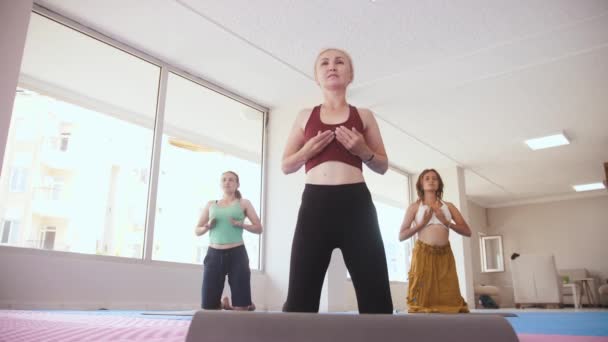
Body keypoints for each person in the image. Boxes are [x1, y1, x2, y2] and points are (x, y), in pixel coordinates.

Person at [281, 48, 393, 314]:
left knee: (375, 294)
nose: (332, 66)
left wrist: (362, 150)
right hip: (315, 206)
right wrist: (307, 151)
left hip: (356, 205)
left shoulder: (364, 115)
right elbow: (286, 165)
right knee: (300, 298)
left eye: (340, 62)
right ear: (317, 76)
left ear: (350, 74)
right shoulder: (304, 115)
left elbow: (382, 165)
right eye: (325, 63)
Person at [398, 169, 472, 313]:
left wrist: (446, 222)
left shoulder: (448, 206)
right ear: (421, 183)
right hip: (423, 254)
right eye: (427, 178)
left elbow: (467, 231)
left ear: (439, 184)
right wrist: (421, 224)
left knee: (449, 298)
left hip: (444, 255)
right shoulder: (414, 207)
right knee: (421, 300)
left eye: (434, 178)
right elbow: (401, 236)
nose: (431, 181)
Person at [195, 171, 262, 311]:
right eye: (224, 180)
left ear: (237, 184)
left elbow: (258, 228)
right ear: (220, 184)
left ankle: (245, 304)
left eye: (231, 180)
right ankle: (224, 303)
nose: (227, 182)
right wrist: (207, 227)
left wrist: (241, 224)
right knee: (208, 307)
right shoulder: (210, 204)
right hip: (214, 255)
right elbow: (197, 230)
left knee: (241, 309)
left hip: (237, 254)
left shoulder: (244, 203)